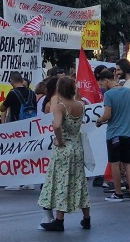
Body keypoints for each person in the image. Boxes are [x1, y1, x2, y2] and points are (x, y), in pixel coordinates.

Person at [38, 76, 91, 231]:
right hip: (77, 147)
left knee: (63, 182)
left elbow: (57, 125)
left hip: (65, 148)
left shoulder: (61, 107)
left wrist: (59, 140)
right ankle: (86, 217)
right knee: (79, 182)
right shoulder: (80, 105)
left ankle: (59, 220)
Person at [95, 68, 130, 201]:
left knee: (114, 163)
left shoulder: (109, 95)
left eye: (102, 84)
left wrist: (99, 120)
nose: (102, 87)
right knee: (128, 163)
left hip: (114, 134)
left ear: (106, 80)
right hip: (128, 133)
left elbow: (108, 114)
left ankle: (118, 193)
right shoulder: (128, 92)